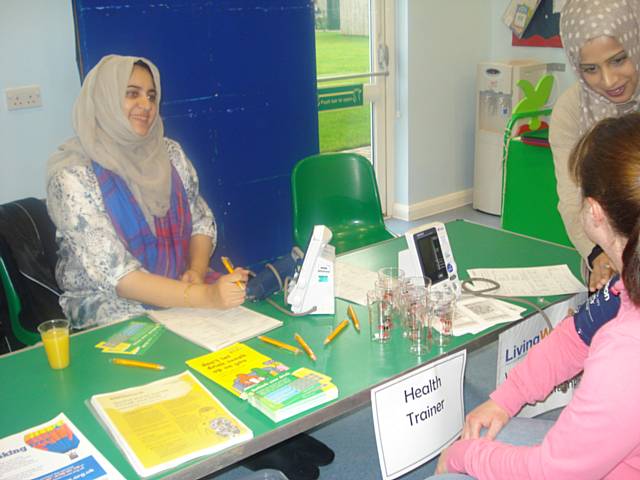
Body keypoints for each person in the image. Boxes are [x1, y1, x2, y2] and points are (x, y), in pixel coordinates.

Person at [429, 112, 640, 479]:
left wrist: (465, 456)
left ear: (593, 211)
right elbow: (575, 337)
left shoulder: (626, 349)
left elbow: (551, 472)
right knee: (495, 432)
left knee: (451, 467)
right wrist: (504, 399)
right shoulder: (626, 285)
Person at [46, 55, 248, 330]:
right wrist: (205, 296)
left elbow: (201, 221)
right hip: (110, 308)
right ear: (104, 99)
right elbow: (119, 276)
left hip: (180, 288)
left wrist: (196, 272)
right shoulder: (73, 176)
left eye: (152, 96)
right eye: (132, 94)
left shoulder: (170, 153)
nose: (146, 106)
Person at [549, 0, 640, 291]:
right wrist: (598, 253)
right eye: (590, 69)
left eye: (618, 59)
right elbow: (572, 199)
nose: (609, 80)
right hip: (607, 251)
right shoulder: (570, 111)